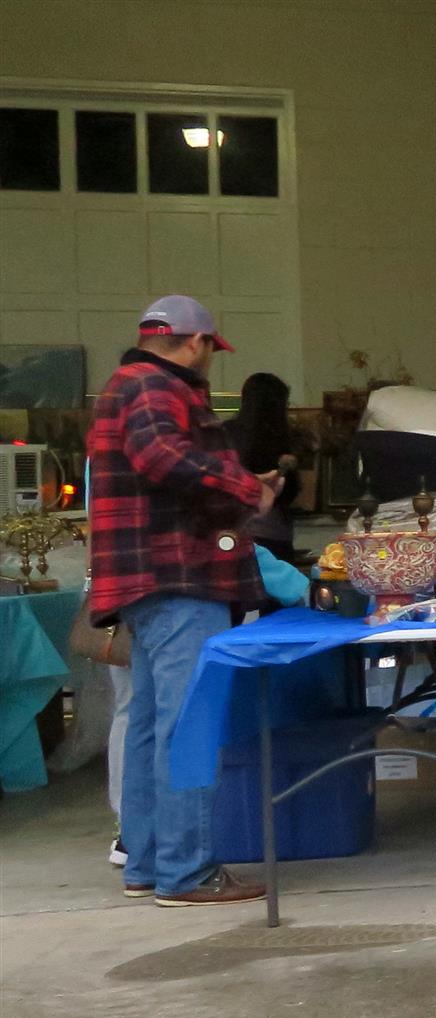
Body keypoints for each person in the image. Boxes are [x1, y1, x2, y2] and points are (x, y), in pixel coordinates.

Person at [87, 295, 278, 907]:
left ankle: (147, 865)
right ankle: (187, 872)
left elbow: (161, 467)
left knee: (149, 726)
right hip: (179, 578)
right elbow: (162, 455)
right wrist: (246, 486)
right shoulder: (155, 385)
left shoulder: (126, 383)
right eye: (210, 350)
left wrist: (239, 488)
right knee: (186, 724)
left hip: (149, 580)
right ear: (197, 343)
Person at [225, 372, 299, 562]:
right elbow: (290, 491)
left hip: (232, 528)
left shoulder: (225, 432)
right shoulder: (278, 438)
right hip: (272, 530)